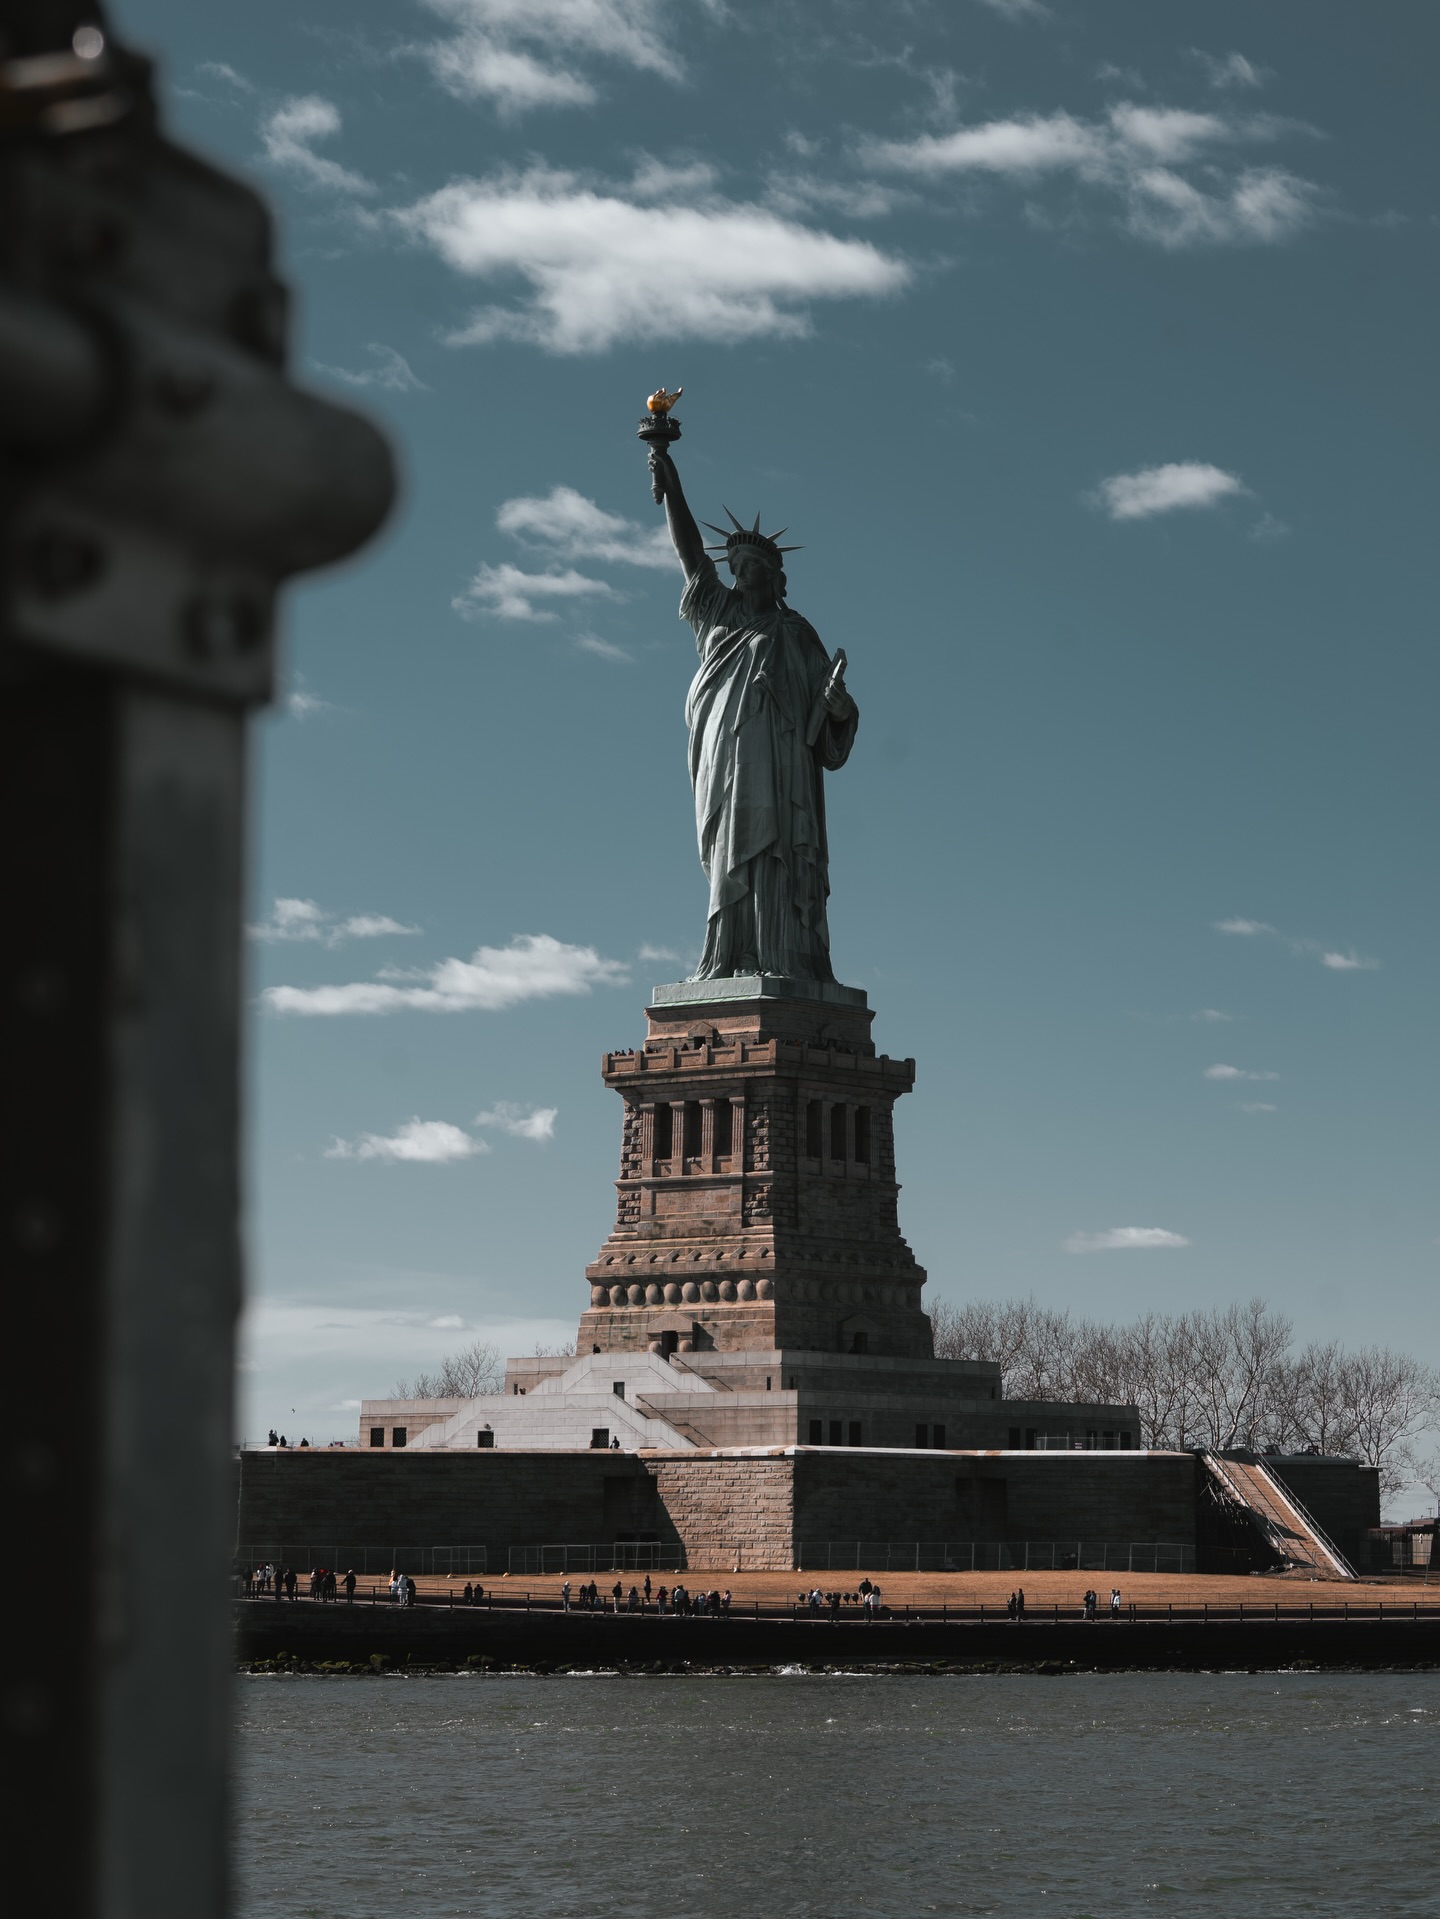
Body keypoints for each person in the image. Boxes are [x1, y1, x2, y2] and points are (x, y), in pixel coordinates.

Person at [647, 443, 858, 981]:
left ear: (773, 576)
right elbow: (691, 553)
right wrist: (670, 478)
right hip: (727, 760)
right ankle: (729, 956)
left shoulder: (797, 635)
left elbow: (829, 720)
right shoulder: (717, 615)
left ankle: (785, 959)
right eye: (735, 567)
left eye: (750, 568)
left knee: (781, 854)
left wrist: (838, 708)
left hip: (784, 770)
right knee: (730, 856)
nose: (739, 574)